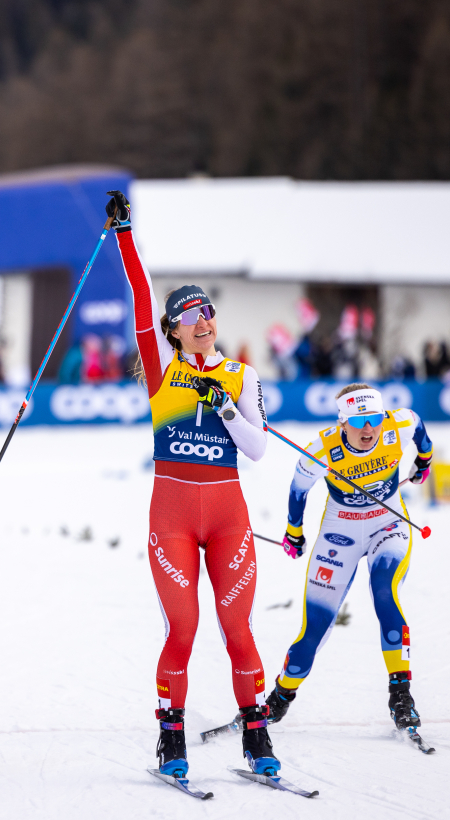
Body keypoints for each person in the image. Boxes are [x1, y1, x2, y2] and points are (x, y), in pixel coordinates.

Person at [105, 190, 280, 779]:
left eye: (207, 311)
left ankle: (256, 738)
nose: (202, 321)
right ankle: (170, 738)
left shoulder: (242, 374)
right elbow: (140, 293)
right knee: (183, 628)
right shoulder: (162, 367)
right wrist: (126, 233)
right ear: (173, 331)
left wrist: (227, 407)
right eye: (189, 315)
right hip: (172, 519)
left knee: (237, 630)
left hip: (229, 516)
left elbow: (256, 448)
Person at [266, 382, 433, 733]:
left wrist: (423, 462)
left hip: (388, 526)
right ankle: (280, 698)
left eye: (374, 418)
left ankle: (400, 695)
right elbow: (298, 490)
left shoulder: (397, 425)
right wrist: (294, 532)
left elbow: (419, 427)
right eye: (358, 422)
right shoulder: (320, 448)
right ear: (342, 422)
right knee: (314, 629)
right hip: (338, 535)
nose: (369, 429)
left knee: (384, 592)